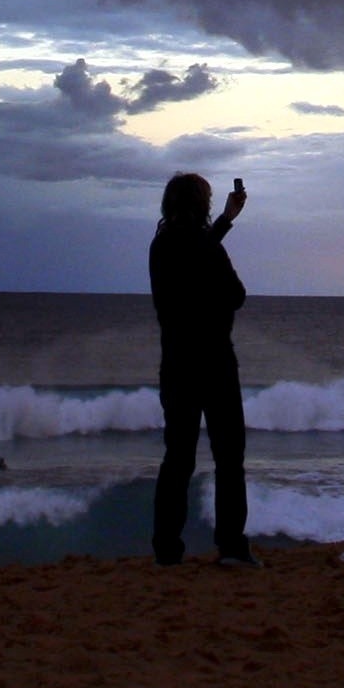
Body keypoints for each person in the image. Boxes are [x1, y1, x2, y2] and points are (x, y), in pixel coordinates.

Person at [150, 170, 257, 567]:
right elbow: (236, 294)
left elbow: (193, 252)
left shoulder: (160, 246)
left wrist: (227, 220)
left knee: (178, 457)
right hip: (214, 362)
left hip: (176, 362)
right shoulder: (205, 247)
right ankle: (231, 546)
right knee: (229, 457)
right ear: (201, 206)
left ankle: (166, 547)